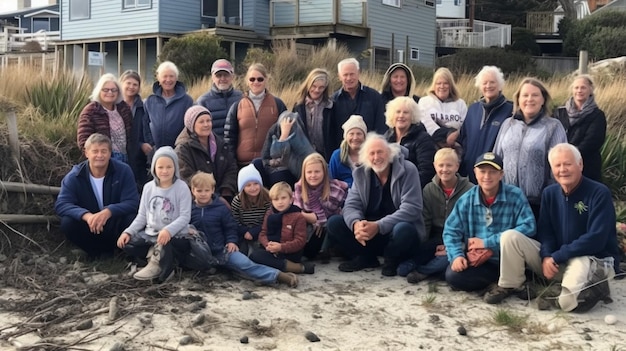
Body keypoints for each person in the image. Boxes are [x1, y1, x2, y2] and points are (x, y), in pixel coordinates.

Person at [483, 144, 619, 312]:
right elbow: (545, 232)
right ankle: (511, 285)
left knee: (569, 304)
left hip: (589, 258)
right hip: (558, 259)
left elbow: (596, 239)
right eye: (557, 165)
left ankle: (582, 288)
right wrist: (547, 256)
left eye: (567, 164)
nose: (563, 169)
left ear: (580, 164)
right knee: (510, 237)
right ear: (552, 169)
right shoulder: (549, 193)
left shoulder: (599, 193)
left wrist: (556, 256)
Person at [326, 133, 425, 276]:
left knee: (404, 229)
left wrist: (379, 226)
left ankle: (392, 260)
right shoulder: (360, 173)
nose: (376, 157)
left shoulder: (408, 169)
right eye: (371, 153)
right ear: (366, 157)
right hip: (370, 233)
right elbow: (351, 205)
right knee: (334, 223)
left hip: (395, 233)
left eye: (380, 152)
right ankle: (365, 258)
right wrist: (356, 224)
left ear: (390, 153)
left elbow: (412, 208)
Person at [442, 152, 536, 293]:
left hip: (509, 259)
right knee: (452, 275)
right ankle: (504, 285)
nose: (487, 177)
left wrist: (488, 243)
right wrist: (457, 256)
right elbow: (450, 231)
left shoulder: (515, 195)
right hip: (482, 262)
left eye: (492, 172)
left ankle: (507, 283)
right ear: (475, 172)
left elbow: (529, 226)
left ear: (501, 174)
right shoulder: (466, 199)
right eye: (482, 171)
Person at [189, 172, 298, 287]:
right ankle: (213, 268)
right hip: (200, 253)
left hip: (222, 250)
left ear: (212, 189)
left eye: (206, 190)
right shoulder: (189, 209)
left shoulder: (220, 208)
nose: (203, 194)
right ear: (193, 190)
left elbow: (230, 227)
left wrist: (231, 241)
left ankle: (279, 276)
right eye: (199, 191)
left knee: (245, 264)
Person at [55, 133, 139, 258]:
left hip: (114, 224)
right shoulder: (75, 176)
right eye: (95, 151)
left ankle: (121, 250)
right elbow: (61, 204)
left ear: (110, 153)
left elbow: (133, 202)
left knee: (132, 217)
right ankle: (94, 253)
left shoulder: (123, 171)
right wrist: (86, 216)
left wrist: (108, 211)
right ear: (86, 153)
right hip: (90, 226)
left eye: (104, 151)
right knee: (68, 223)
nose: (99, 155)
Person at [493, 77, 567, 219]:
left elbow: (559, 166)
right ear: (518, 100)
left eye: (535, 95)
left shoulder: (553, 126)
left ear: (543, 99)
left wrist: (551, 197)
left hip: (538, 204)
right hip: (507, 200)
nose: (529, 99)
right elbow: (497, 158)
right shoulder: (507, 124)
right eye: (525, 95)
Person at [116, 146, 193, 282]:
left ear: (175, 167)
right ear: (154, 168)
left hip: (175, 235)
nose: (164, 171)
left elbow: (185, 217)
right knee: (128, 243)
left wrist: (168, 231)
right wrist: (128, 232)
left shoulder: (182, 188)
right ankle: (154, 254)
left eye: (169, 167)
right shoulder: (148, 188)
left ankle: (162, 268)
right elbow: (142, 216)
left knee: (167, 243)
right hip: (151, 234)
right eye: (160, 167)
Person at [400, 148, 473, 283]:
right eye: (441, 165)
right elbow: (425, 221)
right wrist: (421, 247)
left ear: (457, 167)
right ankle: (425, 264)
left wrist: (452, 246)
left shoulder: (470, 190)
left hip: (459, 238)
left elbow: (472, 223)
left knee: (448, 257)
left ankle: (423, 271)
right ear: (434, 166)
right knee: (403, 269)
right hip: (436, 236)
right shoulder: (429, 189)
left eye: (449, 165)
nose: (444, 169)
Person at [224, 63, 287, 168]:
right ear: (247, 82)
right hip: (243, 165)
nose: (256, 82)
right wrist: (232, 163)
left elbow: (285, 134)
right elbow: (229, 137)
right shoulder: (237, 105)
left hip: (270, 164)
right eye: (252, 79)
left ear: (266, 80)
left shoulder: (278, 104)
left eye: (260, 79)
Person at [458, 66, 513, 183]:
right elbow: (463, 139)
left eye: (492, 82)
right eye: (485, 83)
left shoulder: (511, 110)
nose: (488, 86)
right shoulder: (473, 109)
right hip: (470, 174)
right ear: (480, 86)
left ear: (500, 85)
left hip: (492, 176)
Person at [175, 105, 238, 202]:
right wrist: (213, 197)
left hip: (224, 198)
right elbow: (186, 177)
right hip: (198, 201)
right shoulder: (183, 149)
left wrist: (226, 192)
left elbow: (231, 168)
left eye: (208, 121)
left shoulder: (220, 144)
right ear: (191, 125)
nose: (206, 125)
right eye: (201, 122)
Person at [249, 182, 314, 274]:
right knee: (254, 256)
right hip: (271, 250)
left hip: (290, 253)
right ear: (271, 201)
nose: (280, 202)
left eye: (283, 198)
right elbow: (263, 233)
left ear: (291, 199)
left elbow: (300, 241)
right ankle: (287, 268)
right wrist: (268, 245)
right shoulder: (269, 214)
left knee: (262, 260)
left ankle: (297, 267)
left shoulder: (298, 216)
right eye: (276, 199)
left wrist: (281, 247)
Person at [294, 153, 348, 260]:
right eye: (309, 172)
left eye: (317, 171)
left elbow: (328, 214)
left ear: (324, 172)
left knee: (327, 226)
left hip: (329, 225)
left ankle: (327, 249)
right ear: (304, 173)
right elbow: (296, 209)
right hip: (309, 224)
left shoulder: (334, 189)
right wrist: (310, 217)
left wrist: (317, 218)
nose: (313, 175)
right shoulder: (299, 188)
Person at [554, 74, 606, 182]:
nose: (579, 90)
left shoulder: (597, 115)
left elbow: (593, 141)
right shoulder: (560, 112)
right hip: (561, 166)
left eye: (583, 87)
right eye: (576, 87)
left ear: (590, 90)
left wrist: (570, 156)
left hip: (587, 166)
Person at [329, 58, 386, 152]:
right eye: (345, 75)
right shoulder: (333, 101)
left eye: (352, 74)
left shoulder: (374, 97)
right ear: (339, 76)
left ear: (359, 73)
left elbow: (381, 128)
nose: (349, 78)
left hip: (370, 154)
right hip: (343, 154)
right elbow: (331, 133)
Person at [77, 73, 133, 163]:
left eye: (113, 90)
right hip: (103, 159)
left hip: (125, 157)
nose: (110, 93)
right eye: (105, 90)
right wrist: (97, 159)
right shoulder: (91, 111)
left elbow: (131, 135)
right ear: (99, 91)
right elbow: (83, 140)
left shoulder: (124, 108)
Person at [383, 96, 436, 188]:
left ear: (413, 116)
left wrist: (405, 187)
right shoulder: (386, 138)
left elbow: (427, 171)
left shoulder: (423, 139)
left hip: (413, 190)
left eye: (406, 112)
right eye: (398, 112)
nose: (401, 116)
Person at [143, 61, 194, 155]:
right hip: (155, 153)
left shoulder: (187, 101)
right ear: (158, 78)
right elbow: (145, 125)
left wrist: (181, 145)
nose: (168, 80)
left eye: (171, 76)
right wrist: (151, 144)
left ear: (176, 78)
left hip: (180, 152)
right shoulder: (149, 101)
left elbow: (190, 127)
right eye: (165, 76)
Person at [258, 111, 315, 188]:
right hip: (277, 167)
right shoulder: (274, 130)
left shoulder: (299, 133)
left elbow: (308, 155)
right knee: (257, 163)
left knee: (282, 175)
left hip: (300, 169)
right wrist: (284, 135)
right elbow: (271, 155)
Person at [417, 67, 467, 148]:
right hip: (431, 146)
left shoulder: (460, 103)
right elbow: (427, 126)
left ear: (451, 85)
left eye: (446, 83)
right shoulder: (424, 102)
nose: (442, 86)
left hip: (455, 147)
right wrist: (448, 134)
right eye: (438, 83)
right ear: (434, 85)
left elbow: (464, 127)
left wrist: (455, 137)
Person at [196, 59, 243, 138]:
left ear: (232, 76)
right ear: (212, 77)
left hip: (237, 147)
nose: (222, 78)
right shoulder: (203, 101)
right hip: (213, 148)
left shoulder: (241, 98)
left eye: (226, 75)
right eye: (218, 75)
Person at [231, 164, 272, 255]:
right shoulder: (237, 201)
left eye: (256, 184)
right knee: (242, 251)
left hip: (261, 230)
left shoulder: (267, 198)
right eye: (248, 185)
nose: (253, 188)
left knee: (259, 252)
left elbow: (269, 220)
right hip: (243, 232)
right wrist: (245, 231)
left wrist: (254, 231)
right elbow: (235, 221)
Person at [293, 68, 334, 159]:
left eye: (321, 87)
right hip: (303, 155)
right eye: (314, 86)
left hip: (326, 155)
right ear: (308, 84)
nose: (317, 90)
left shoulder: (331, 106)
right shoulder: (298, 106)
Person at [120, 70, 149, 190]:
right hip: (119, 152)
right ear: (121, 83)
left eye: (135, 84)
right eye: (128, 83)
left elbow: (146, 128)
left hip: (137, 154)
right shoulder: (114, 105)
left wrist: (142, 144)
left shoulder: (143, 106)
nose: (131, 87)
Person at [328, 115, 367, 188]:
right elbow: (331, 182)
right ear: (346, 137)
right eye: (351, 134)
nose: (355, 138)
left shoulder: (370, 155)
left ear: (364, 137)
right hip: (342, 197)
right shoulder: (337, 156)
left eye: (359, 134)